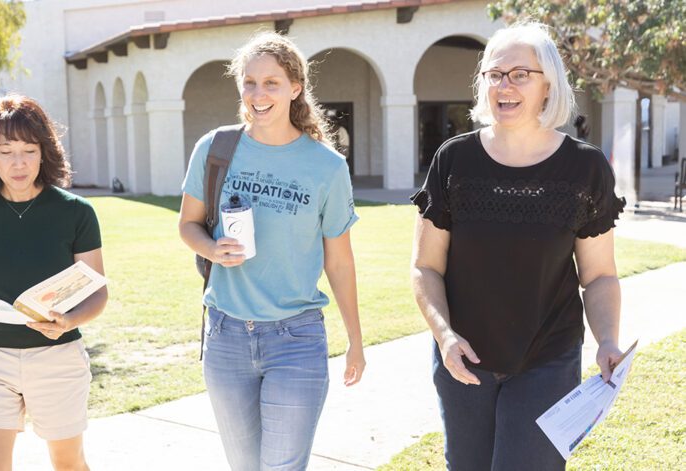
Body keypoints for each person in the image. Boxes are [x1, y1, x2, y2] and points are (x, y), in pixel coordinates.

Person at [410, 23, 626, 470]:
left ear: (548, 84)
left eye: (519, 74)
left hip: (548, 357)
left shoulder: (585, 169)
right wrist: (445, 336)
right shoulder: (453, 160)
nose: (503, 85)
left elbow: (599, 275)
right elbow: (425, 268)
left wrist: (607, 339)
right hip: (464, 358)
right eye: (494, 74)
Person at [178, 32, 365, 470]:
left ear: (296, 87)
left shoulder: (327, 166)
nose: (258, 95)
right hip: (225, 337)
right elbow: (187, 224)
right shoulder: (215, 148)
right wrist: (212, 247)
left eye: (271, 83)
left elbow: (339, 260)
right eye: (249, 83)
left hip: (295, 339)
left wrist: (356, 340)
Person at [0, 94, 107, 471]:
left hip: (58, 356)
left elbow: (98, 293)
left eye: (29, 150)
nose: (18, 163)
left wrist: (68, 321)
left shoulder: (77, 213)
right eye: (6, 151)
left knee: (68, 464)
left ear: (44, 152)